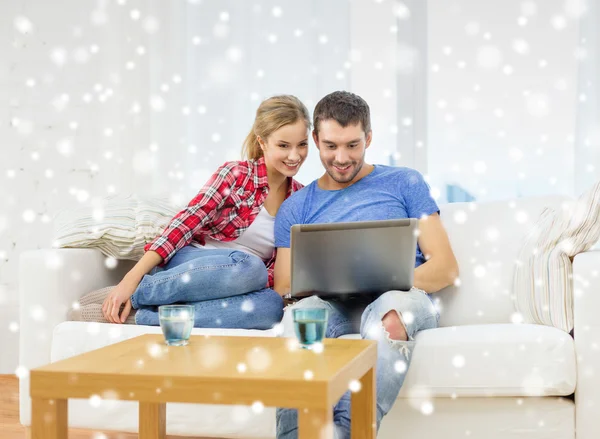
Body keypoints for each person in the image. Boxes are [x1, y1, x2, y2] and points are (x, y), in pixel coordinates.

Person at [273, 91, 459, 438]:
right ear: (315, 140)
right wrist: (336, 280)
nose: (341, 158)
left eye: (353, 145)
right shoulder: (297, 206)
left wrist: (380, 281)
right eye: (330, 146)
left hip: (400, 298)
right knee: (301, 319)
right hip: (332, 304)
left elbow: (445, 267)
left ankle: (347, 431)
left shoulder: (405, 183)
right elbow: (284, 284)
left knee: (391, 312)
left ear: (368, 138)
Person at [98, 95, 311, 329]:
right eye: (283, 145)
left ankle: (144, 317)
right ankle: (140, 292)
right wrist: (131, 279)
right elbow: (185, 223)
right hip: (192, 266)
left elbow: (279, 275)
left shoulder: (299, 200)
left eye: (302, 144)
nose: (294, 156)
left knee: (271, 306)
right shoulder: (235, 175)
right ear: (262, 142)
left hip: (237, 283)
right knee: (250, 267)